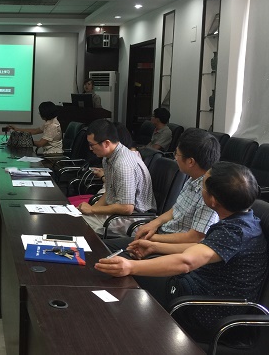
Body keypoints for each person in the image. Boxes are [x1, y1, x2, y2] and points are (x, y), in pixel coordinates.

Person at [95, 162, 267, 342]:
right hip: (195, 289)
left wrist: (131, 266)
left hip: (201, 309)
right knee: (124, 270)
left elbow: (186, 262)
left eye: (203, 187)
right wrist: (155, 247)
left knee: (124, 278)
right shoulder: (246, 219)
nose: (201, 190)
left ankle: (116, 337)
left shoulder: (234, 232)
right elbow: (203, 248)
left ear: (213, 200)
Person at [105, 128, 221, 252]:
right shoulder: (193, 178)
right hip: (162, 235)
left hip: (172, 249)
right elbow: (175, 210)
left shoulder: (209, 193)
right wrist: (153, 224)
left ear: (190, 161)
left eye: (177, 154)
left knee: (106, 255)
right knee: (103, 247)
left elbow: (195, 238)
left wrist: (153, 239)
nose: (175, 158)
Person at [77, 119, 155, 236]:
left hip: (134, 218)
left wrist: (92, 210)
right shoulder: (108, 157)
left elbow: (126, 208)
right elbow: (110, 191)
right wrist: (92, 209)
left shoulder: (123, 164)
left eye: (92, 145)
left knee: (77, 223)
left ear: (106, 143)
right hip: (119, 212)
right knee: (78, 217)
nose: (90, 148)